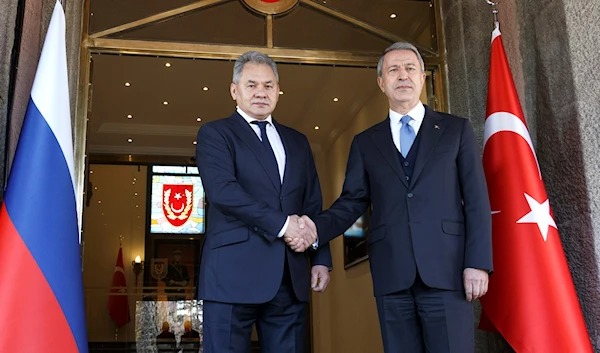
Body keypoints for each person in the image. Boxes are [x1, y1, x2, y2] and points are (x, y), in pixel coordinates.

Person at [294, 42, 493, 352]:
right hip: (392, 275)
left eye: (410, 68)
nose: (403, 76)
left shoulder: (455, 131)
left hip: (448, 272)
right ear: (381, 83)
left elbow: (477, 200)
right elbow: (352, 202)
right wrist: (314, 230)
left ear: (423, 78)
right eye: (394, 70)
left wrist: (478, 262)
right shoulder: (365, 142)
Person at [195, 51, 332, 353]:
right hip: (230, 277)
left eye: (269, 86)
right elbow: (223, 192)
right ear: (235, 90)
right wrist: (284, 225)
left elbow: (312, 202)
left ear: (278, 91)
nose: (261, 92)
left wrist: (321, 257)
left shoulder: (297, 141)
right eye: (252, 84)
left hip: (289, 276)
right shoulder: (215, 134)